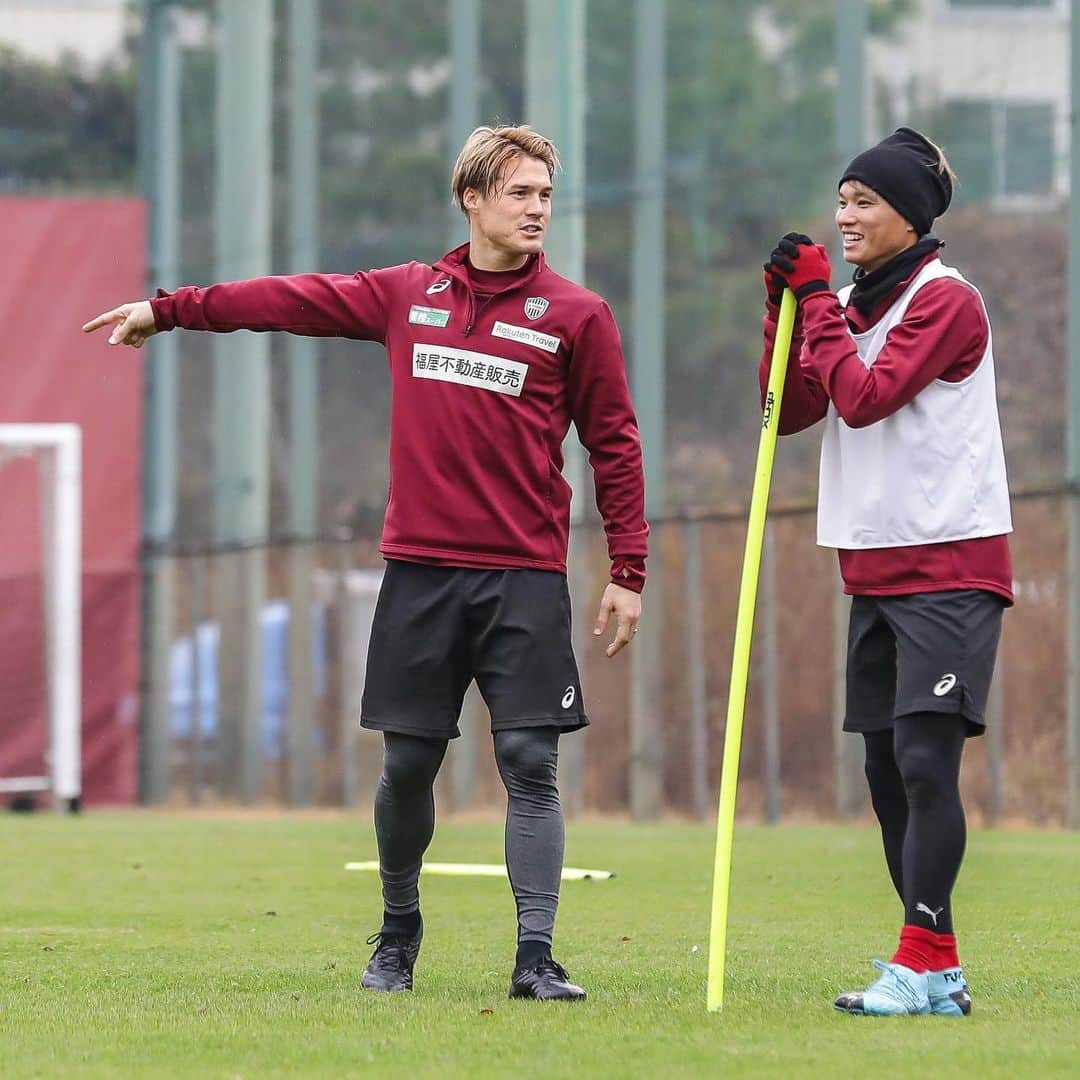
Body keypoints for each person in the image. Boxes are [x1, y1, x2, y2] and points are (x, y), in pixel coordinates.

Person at [84, 125, 648, 1002]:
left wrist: (629, 567)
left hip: (525, 578)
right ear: (472, 197)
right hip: (422, 573)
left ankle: (537, 958)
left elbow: (615, 444)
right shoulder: (405, 293)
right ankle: (397, 933)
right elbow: (287, 300)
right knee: (409, 766)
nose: (537, 209)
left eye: (545, 194)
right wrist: (171, 307)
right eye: (520, 192)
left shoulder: (577, 316)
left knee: (531, 761)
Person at [759, 128, 1012, 1017]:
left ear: (910, 213)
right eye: (841, 199)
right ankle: (935, 969)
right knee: (883, 771)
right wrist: (780, 313)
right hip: (871, 568)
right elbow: (789, 410)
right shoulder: (855, 306)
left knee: (923, 762)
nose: (844, 216)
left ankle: (918, 959)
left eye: (863, 201)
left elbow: (864, 401)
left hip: (950, 562)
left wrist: (818, 301)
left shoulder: (949, 301)